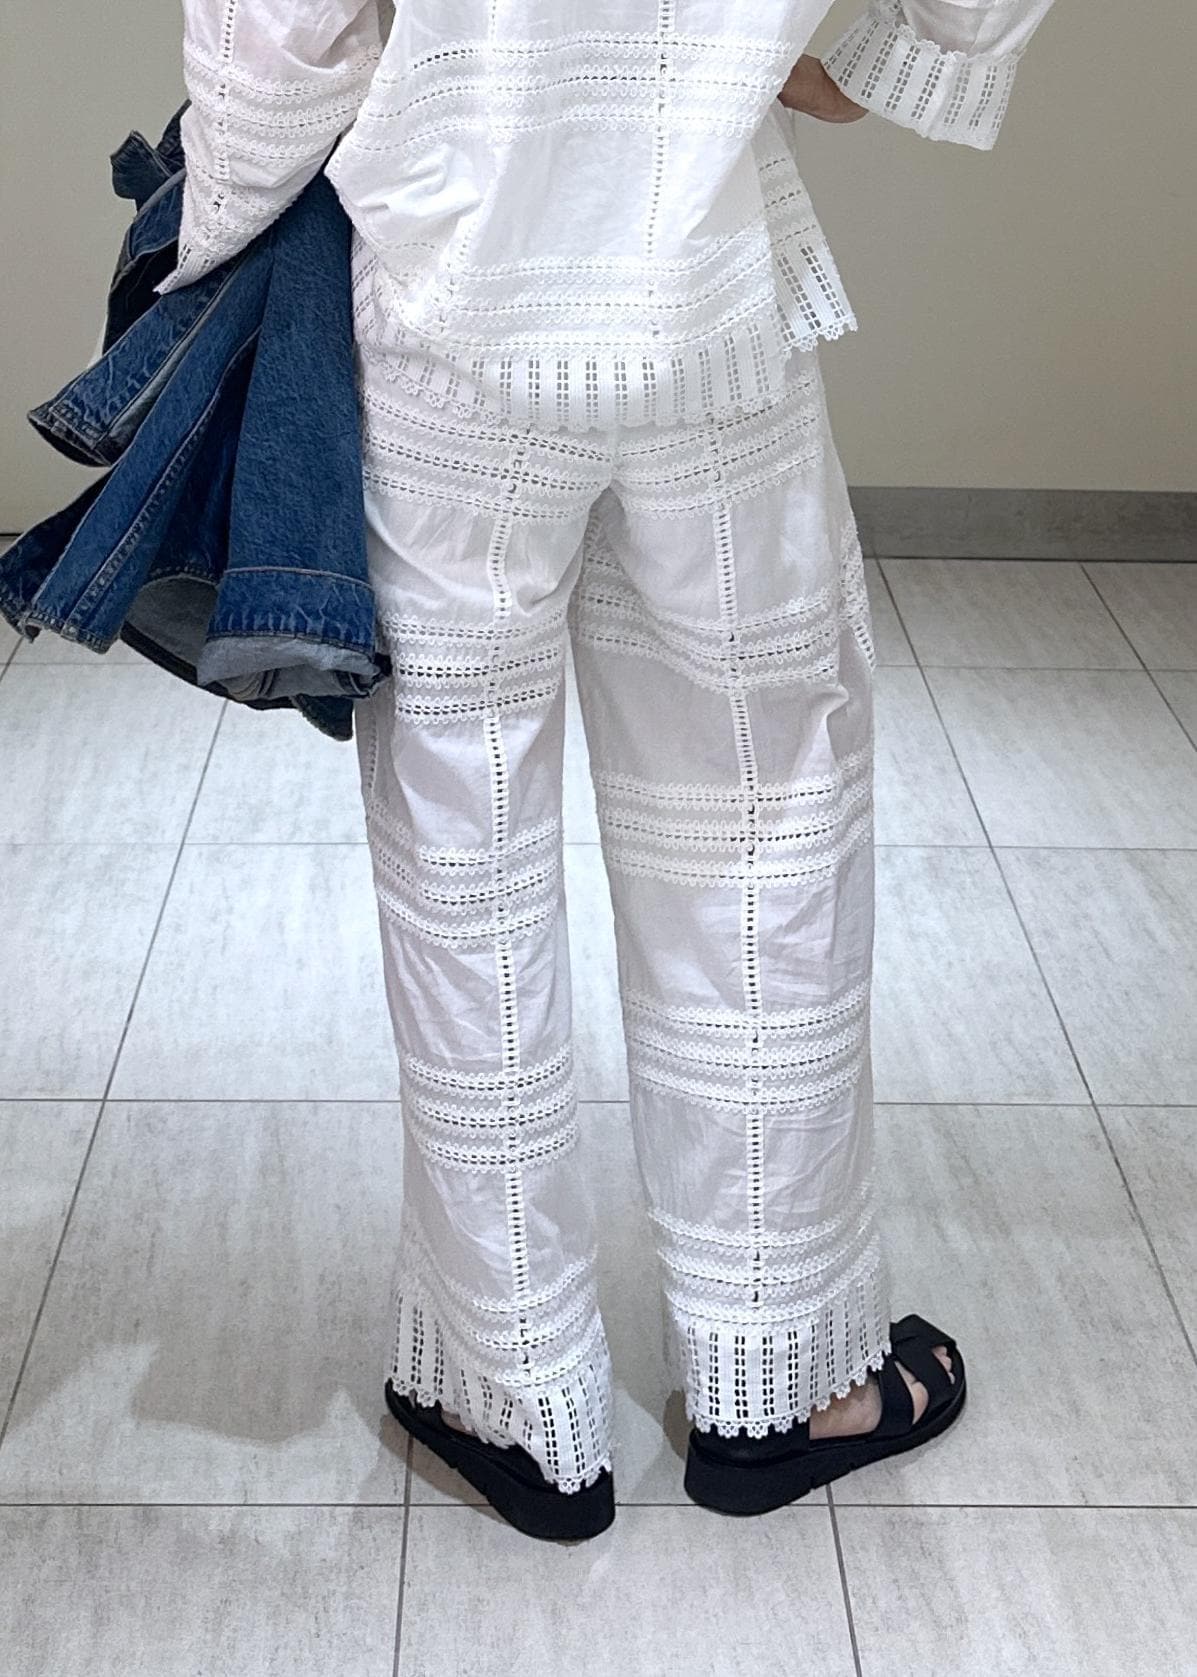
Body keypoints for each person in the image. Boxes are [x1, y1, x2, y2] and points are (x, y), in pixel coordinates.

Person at [156, 0, 1055, 1540]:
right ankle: (785, 1377)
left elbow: (284, 25)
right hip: (711, 300)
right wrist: (879, 62)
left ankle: (512, 1396)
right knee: (762, 830)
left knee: (463, 854)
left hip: (445, 308)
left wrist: (219, 228)